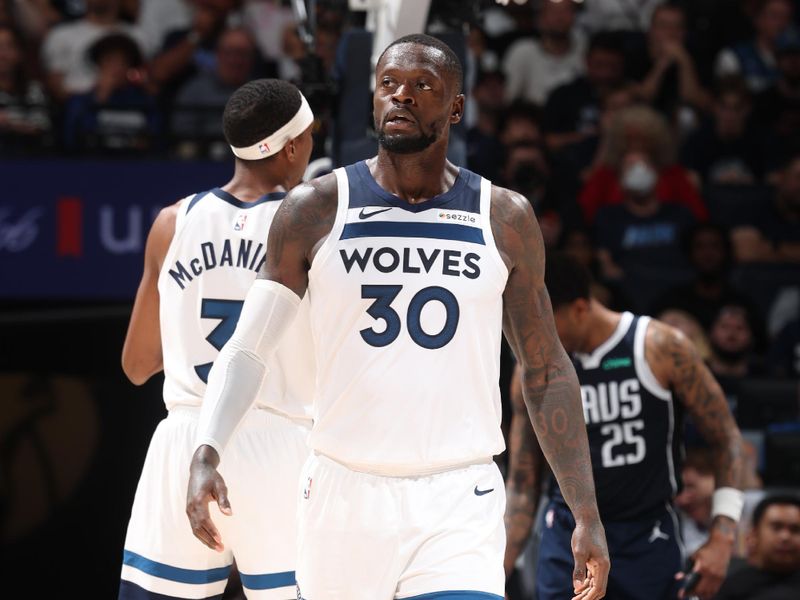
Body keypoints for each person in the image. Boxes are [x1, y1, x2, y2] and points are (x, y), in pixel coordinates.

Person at [186, 33, 610, 600]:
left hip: (459, 493)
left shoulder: (503, 216)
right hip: (343, 489)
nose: (401, 97)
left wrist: (585, 510)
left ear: (456, 107)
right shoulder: (315, 207)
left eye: (422, 86)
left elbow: (546, 370)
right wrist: (207, 447)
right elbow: (248, 347)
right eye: (388, 85)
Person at [118, 78, 315, 600]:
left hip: (185, 439)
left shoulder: (171, 222)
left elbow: (137, 364)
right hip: (279, 438)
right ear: (292, 146)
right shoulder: (307, 228)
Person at [504, 253, 744, 600]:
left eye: (543, 326)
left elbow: (728, 440)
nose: (534, 339)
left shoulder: (660, 346)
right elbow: (524, 481)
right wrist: (501, 567)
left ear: (580, 308)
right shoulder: (532, 368)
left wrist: (722, 537)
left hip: (645, 534)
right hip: (569, 536)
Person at [714, 494, 800, 600]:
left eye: (795, 529)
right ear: (754, 534)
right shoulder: (728, 586)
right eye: (776, 527)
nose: (785, 537)